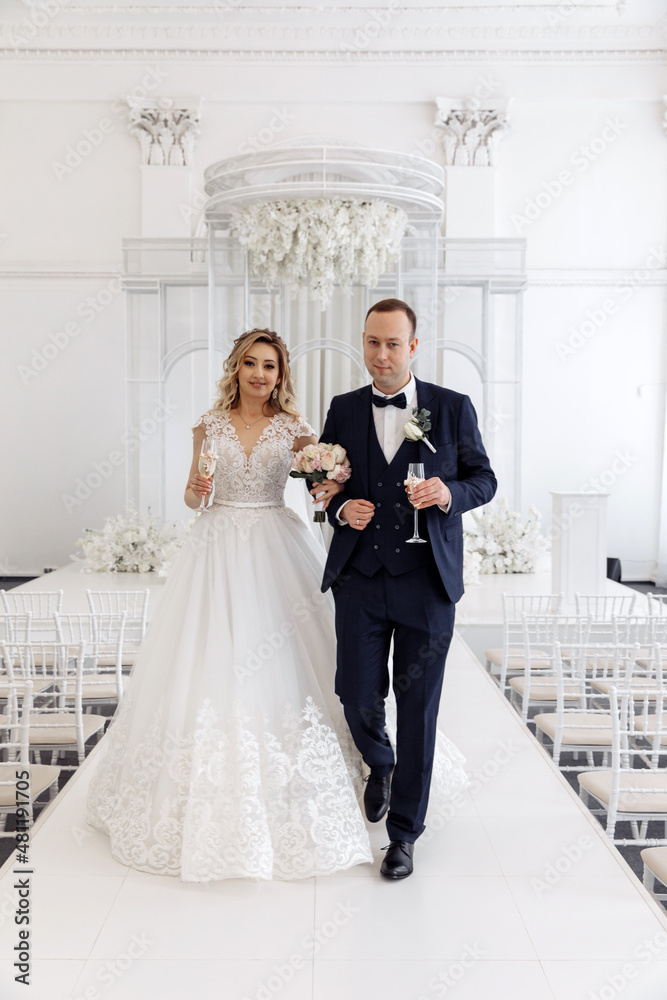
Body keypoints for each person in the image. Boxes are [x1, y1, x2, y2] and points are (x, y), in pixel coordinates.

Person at [86, 328, 376, 881]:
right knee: (208, 657)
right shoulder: (208, 426)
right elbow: (194, 497)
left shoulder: (295, 429)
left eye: (270, 366)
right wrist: (198, 487)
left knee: (288, 656)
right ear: (236, 368)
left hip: (274, 539)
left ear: (280, 375)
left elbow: (329, 478)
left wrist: (329, 482)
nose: (260, 374)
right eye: (251, 363)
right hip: (216, 543)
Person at [320, 298, 497, 880]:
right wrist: (345, 509)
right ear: (363, 342)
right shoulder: (344, 409)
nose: (381, 354)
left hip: (427, 584)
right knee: (355, 692)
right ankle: (380, 760)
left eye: (393, 344)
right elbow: (323, 487)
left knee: (418, 709)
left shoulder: (451, 408)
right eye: (372, 342)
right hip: (361, 580)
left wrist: (448, 495)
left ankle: (403, 835)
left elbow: (484, 479)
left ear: (413, 346)